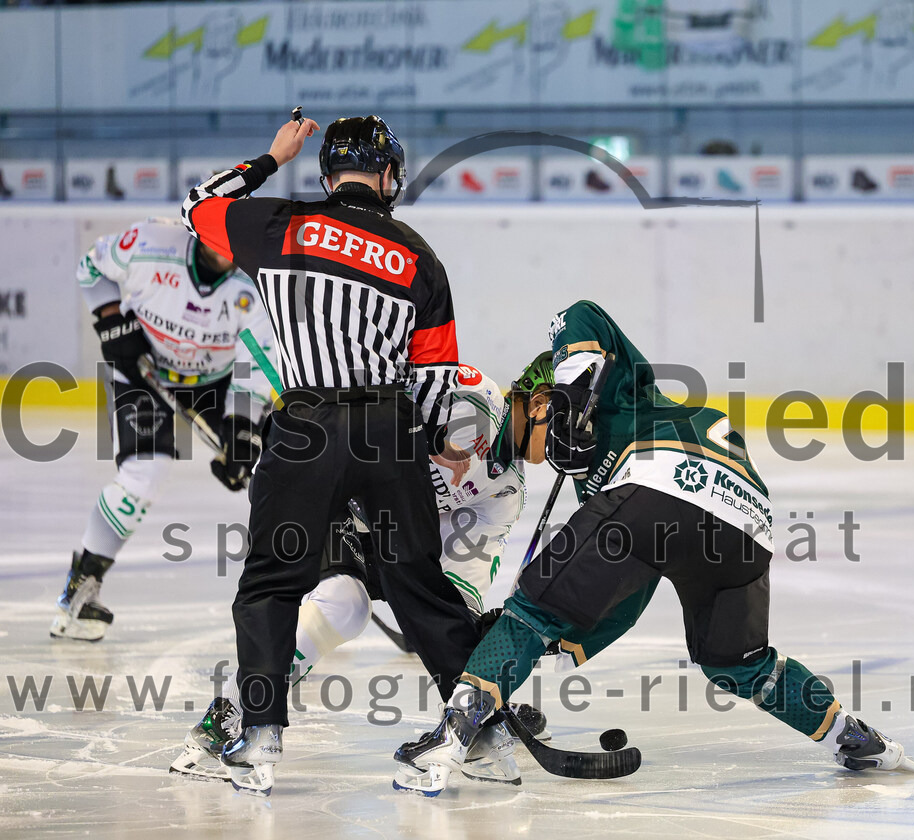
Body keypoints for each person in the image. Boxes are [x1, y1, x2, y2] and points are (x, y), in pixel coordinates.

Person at [393, 300, 914, 796]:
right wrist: (557, 641)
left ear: (540, 400)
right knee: (740, 663)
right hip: (746, 523)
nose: (536, 460)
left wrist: (571, 399)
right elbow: (628, 596)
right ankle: (856, 739)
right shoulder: (603, 478)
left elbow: (581, 315)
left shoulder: (621, 393)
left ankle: (451, 739)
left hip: (662, 479)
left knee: (529, 611)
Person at [181, 114, 483, 795]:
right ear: (388, 174)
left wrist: (269, 159)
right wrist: (436, 440)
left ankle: (260, 734)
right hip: (389, 429)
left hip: (305, 427)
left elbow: (196, 207)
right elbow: (435, 374)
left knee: (270, 583)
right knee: (419, 583)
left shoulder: (277, 224)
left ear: (325, 173)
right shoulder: (419, 255)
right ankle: (483, 730)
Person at [170, 355, 556, 788]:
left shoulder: (506, 491)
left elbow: (455, 586)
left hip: (388, 527)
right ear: (538, 403)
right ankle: (234, 712)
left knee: (429, 614)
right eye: (563, 424)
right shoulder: (471, 397)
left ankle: (470, 723)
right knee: (344, 605)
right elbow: (371, 392)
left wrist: (471, 650)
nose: (564, 445)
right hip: (323, 485)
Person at [51, 216, 275, 642]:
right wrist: (112, 321)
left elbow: (257, 359)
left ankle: (321, 580)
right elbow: (91, 267)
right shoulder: (150, 242)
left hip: (216, 381)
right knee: (144, 472)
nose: (226, 247)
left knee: (277, 468)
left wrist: (242, 430)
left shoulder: (257, 282)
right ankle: (79, 588)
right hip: (142, 366)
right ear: (199, 229)